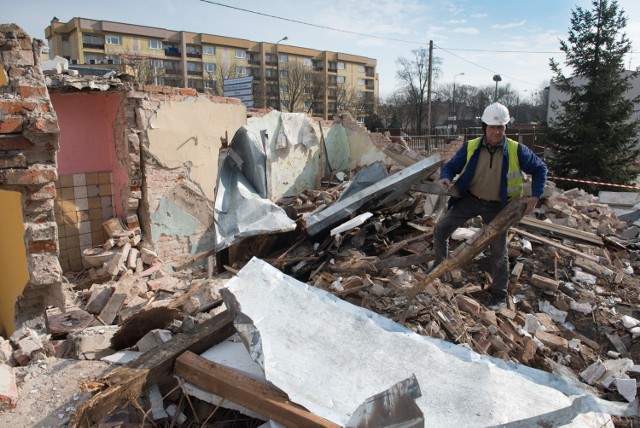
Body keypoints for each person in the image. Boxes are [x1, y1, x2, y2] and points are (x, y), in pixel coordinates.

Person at [434, 102, 547, 311]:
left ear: (506, 128)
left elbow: (540, 169)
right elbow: (450, 166)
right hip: (471, 198)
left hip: (499, 206)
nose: (496, 131)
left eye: (500, 127)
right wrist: (445, 178)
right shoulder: (471, 146)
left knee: (498, 249)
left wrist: (536, 196)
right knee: (441, 230)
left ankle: (499, 295)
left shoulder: (516, 150)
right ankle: (440, 271)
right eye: (492, 127)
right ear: (484, 127)